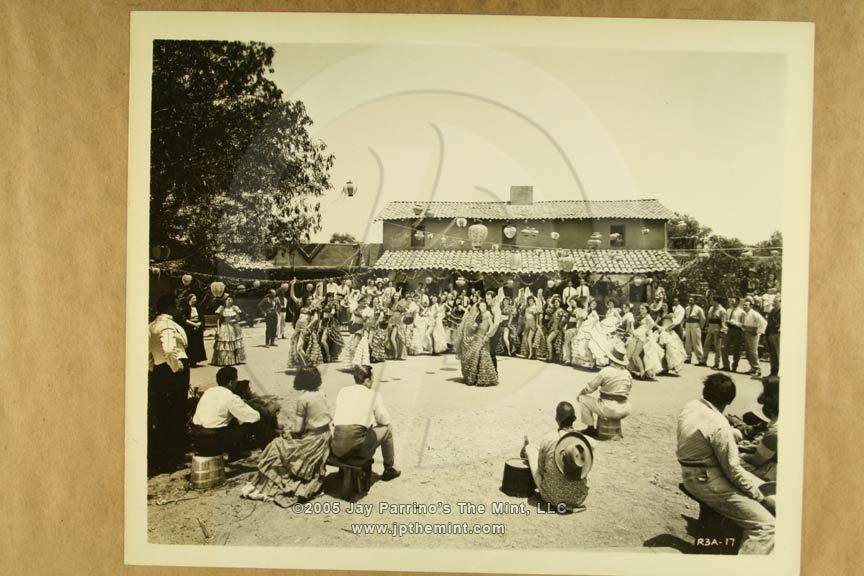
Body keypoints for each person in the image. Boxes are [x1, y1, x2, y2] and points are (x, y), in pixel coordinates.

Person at [676, 373, 775, 554]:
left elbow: (707, 432)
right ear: (729, 400)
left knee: (762, 486)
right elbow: (733, 471)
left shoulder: (692, 406)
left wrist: (734, 433)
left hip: (693, 472)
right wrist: (760, 499)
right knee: (767, 527)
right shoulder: (719, 425)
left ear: (705, 391)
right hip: (707, 481)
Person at [241, 367, 333, 504]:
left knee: (275, 445)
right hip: (325, 437)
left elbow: (298, 429)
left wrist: (286, 432)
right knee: (283, 443)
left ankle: (272, 481)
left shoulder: (303, 399)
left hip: (311, 439)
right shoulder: (321, 393)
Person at [330, 365, 401, 480]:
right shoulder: (373, 394)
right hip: (357, 449)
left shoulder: (343, 391)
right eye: (372, 379)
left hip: (337, 447)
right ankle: (389, 468)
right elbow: (384, 420)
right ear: (367, 380)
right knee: (387, 429)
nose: (373, 382)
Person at [522, 402, 594, 511]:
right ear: (574, 418)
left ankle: (527, 450)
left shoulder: (549, 439)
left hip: (552, 497)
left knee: (532, 449)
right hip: (579, 499)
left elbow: (541, 470)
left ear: (556, 419)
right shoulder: (584, 442)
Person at [148, 294, 190, 474]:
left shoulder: (151, 325)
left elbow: (149, 352)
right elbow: (168, 348)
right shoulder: (165, 325)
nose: (178, 309)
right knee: (176, 412)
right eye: (176, 306)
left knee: (164, 413)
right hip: (172, 371)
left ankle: (169, 455)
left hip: (160, 370)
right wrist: (177, 368)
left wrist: (153, 367)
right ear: (170, 307)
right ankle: (174, 458)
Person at [190, 366, 267, 460]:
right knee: (257, 423)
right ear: (231, 382)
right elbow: (254, 417)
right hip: (215, 442)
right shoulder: (230, 397)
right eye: (236, 380)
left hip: (198, 440)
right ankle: (270, 452)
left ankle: (236, 454)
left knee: (229, 419)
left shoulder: (208, 392)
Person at [577, 341, 633, 435]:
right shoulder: (628, 374)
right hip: (625, 408)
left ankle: (590, 428)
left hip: (609, 408)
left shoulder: (606, 371)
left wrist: (580, 394)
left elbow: (590, 388)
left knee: (583, 399)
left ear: (611, 359)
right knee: (606, 402)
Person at [740, 376, 779, 482]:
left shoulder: (774, 432)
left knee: (731, 461)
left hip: (776, 472)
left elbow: (756, 461)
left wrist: (741, 455)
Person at [460, 301, 499, 387]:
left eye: (484, 305)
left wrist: (487, 336)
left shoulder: (488, 314)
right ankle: (475, 377)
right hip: (477, 336)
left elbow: (491, 325)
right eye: (481, 306)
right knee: (475, 355)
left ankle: (485, 377)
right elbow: (475, 326)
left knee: (483, 355)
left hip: (483, 336)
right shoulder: (479, 315)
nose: (483, 307)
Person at [211, 295, 246, 366]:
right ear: (224, 301)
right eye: (228, 300)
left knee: (234, 342)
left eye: (230, 299)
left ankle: (235, 360)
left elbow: (239, 318)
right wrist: (218, 329)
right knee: (224, 343)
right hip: (224, 327)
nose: (229, 301)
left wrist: (235, 320)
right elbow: (218, 320)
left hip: (234, 327)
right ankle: (224, 360)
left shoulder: (234, 308)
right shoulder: (222, 308)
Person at [741, 297, 768, 378]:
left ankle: (757, 369)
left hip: (753, 334)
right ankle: (752, 368)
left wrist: (758, 332)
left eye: (746, 305)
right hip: (746, 332)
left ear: (751, 306)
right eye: (744, 305)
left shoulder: (754, 314)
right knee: (748, 352)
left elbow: (763, 322)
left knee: (753, 351)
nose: (744, 307)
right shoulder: (745, 314)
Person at [700, 295, 728, 369]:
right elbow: (708, 318)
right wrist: (707, 326)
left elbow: (723, 321)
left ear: (716, 301)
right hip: (710, 327)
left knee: (717, 346)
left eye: (712, 300)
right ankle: (703, 361)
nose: (710, 302)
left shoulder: (722, 310)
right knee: (706, 344)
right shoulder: (711, 308)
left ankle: (716, 363)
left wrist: (723, 330)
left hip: (717, 327)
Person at [180, 293, 207, 367]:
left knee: (197, 344)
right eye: (193, 299)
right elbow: (184, 319)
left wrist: (199, 324)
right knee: (190, 345)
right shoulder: (185, 308)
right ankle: (190, 360)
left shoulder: (197, 308)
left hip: (198, 327)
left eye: (195, 299)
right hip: (189, 328)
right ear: (189, 299)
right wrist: (194, 324)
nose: (195, 300)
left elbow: (201, 318)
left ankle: (195, 360)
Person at [485, 288, 505, 371]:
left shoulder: (497, 308)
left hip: (495, 332)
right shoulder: (489, 306)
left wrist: (488, 335)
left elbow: (496, 324)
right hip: (490, 330)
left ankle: (494, 373)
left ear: (494, 298)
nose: (487, 300)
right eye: (486, 298)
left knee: (491, 352)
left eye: (489, 299)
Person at [682, 296, 706, 364]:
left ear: (695, 301)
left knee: (696, 342)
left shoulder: (699, 309)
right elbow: (685, 317)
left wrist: (700, 327)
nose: (690, 301)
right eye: (689, 300)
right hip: (688, 324)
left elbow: (703, 319)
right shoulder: (687, 308)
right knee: (687, 342)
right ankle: (688, 357)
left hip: (695, 324)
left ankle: (700, 359)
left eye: (692, 300)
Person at [765, 295, 781, 377]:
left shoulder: (782, 311)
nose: (773, 304)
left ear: (780, 302)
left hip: (777, 335)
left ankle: (777, 373)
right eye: (773, 302)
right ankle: (773, 372)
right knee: (772, 355)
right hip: (770, 335)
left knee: (777, 355)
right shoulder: (771, 311)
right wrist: (766, 334)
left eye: (775, 302)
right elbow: (769, 323)